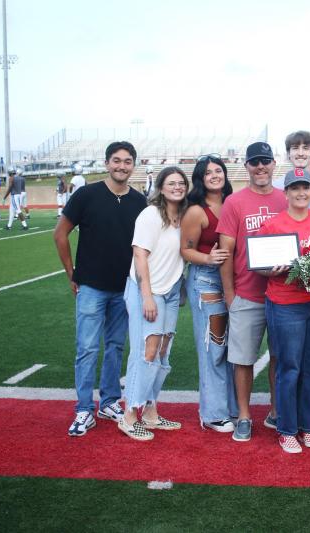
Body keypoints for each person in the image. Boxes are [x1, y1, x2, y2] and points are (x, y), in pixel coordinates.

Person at [54, 141, 147, 437]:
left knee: (116, 347)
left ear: (134, 165)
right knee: (87, 348)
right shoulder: (86, 194)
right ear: (107, 163)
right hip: (92, 287)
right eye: (117, 160)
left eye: (127, 161)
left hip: (124, 288)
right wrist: (72, 273)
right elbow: (60, 234)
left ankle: (108, 401)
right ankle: (84, 409)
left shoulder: (139, 201)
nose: (122, 166)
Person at [217, 141, 288, 442]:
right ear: (246, 166)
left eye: (265, 161)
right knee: (243, 359)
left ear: (274, 164)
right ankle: (244, 415)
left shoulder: (286, 198)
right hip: (247, 293)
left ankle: (275, 411)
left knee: (279, 357)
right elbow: (226, 250)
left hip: (282, 294)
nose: (260, 167)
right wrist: (230, 295)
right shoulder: (234, 202)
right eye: (254, 162)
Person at [259, 168, 310, 453]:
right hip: (286, 303)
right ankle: (287, 429)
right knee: (290, 367)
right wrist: (272, 269)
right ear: (286, 192)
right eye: (295, 188)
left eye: (306, 187)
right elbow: (262, 267)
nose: (301, 193)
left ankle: (308, 426)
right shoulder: (274, 225)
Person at [120, 166, 188, 441]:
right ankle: (129, 415)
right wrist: (147, 295)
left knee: (162, 352)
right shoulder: (150, 215)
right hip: (146, 290)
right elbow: (140, 256)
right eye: (171, 183)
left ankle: (150, 411)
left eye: (181, 183)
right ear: (160, 188)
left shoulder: (182, 217)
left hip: (170, 291)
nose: (177, 187)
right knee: (146, 352)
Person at [181, 155, 237, 433]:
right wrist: (208, 258)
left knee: (230, 347)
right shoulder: (196, 211)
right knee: (213, 346)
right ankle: (213, 413)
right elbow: (186, 250)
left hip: (233, 278)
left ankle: (231, 408)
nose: (215, 175)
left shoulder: (233, 202)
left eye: (219, 170)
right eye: (208, 172)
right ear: (200, 178)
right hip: (207, 280)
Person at [3, 166, 28, 230]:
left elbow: (10, 188)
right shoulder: (19, 178)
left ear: (10, 172)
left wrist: (5, 197)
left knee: (18, 210)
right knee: (11, 211)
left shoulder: (11, 178)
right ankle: (9, 226)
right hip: (18, 195)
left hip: (14, 196)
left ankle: (25, 225)